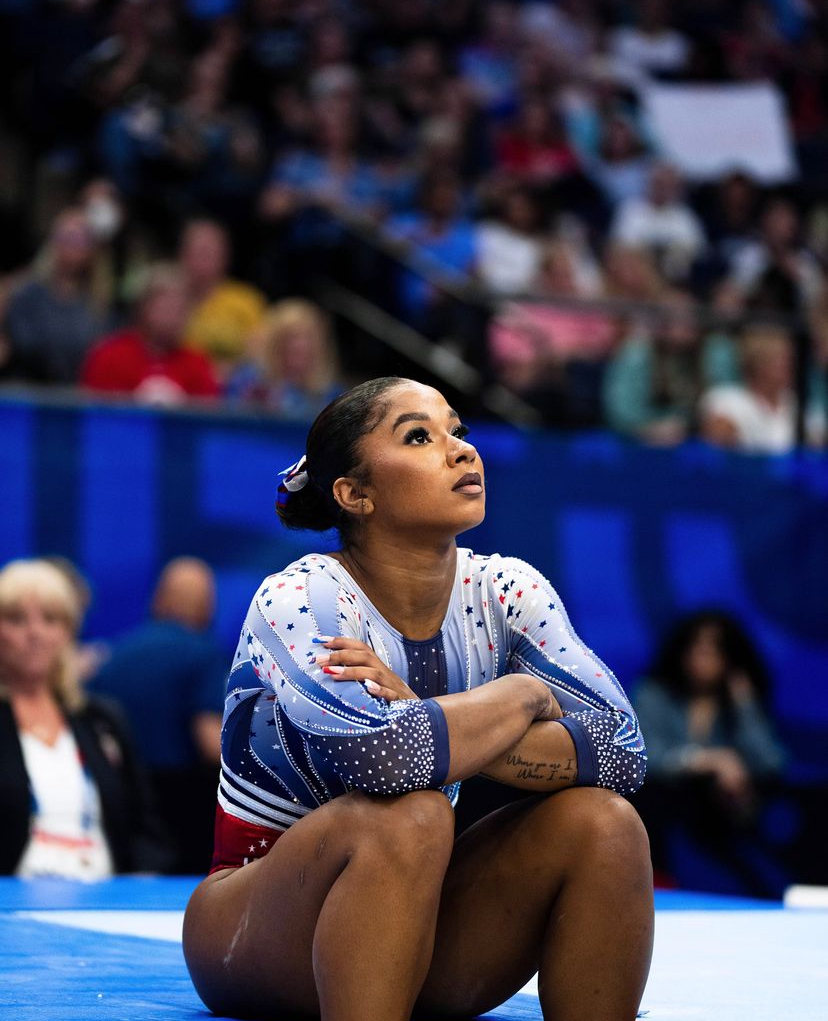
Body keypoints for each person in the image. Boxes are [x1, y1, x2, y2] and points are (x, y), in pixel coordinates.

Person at [183, 377, 653, 1021]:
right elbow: (384, 761)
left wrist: (423, 712)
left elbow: (623, 753)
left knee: (606, 824)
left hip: (413, 914)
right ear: (355, 494)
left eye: (456, 431)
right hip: (253, 926)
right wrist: (522, 693)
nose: (461, 450)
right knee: (412, 814)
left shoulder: (508, 591)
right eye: (419, 436)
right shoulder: (305, 598)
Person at [0, 558, 172, 878]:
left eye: (50, 619)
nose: (35, 633)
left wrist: (140, 886)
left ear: (68, 632)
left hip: (104, 900)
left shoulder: (102, 719)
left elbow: (146, 830)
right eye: (16, 619)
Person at [632, 610, 786, 897]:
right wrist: (709, 760)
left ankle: (759, 891)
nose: (702, 657)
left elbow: (770, 763)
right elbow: (643, 759)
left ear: (730, 657)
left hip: (727, 811)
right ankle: (662, 885)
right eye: (695, 647)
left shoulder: (738, 704)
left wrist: (745, 703)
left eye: (714, 649)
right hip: (664, 810)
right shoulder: (654, 694)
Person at [89, 557, 227, 874]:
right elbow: (210, 742)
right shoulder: (203, 654)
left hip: (122, 806)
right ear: (207, 606)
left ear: (159, 599)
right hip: (184, 808)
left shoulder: (115, 656)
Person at [80, 263, 219, 404]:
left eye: (182, 307)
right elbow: (93, 416)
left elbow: (207, 420)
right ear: (144, 307)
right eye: (167, 306)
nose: (175, 315)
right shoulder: (109, 357)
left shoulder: (197, 364)